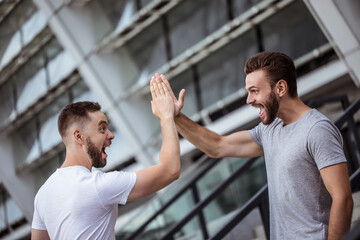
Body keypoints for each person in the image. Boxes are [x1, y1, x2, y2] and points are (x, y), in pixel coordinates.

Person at [157, 52, 354, 240]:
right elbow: (217, 146)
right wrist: (174, 116)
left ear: (280, 88)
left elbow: (343, 199)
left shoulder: (317, 130)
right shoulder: (269, 129)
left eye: (255, 91)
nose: (249, 100)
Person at [31, 75, 180, 240]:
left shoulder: (43, 194)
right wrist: (167, 115)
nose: (111, 135)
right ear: (79, 137)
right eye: (102, 129)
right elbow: (170, 170)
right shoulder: (96, 186)